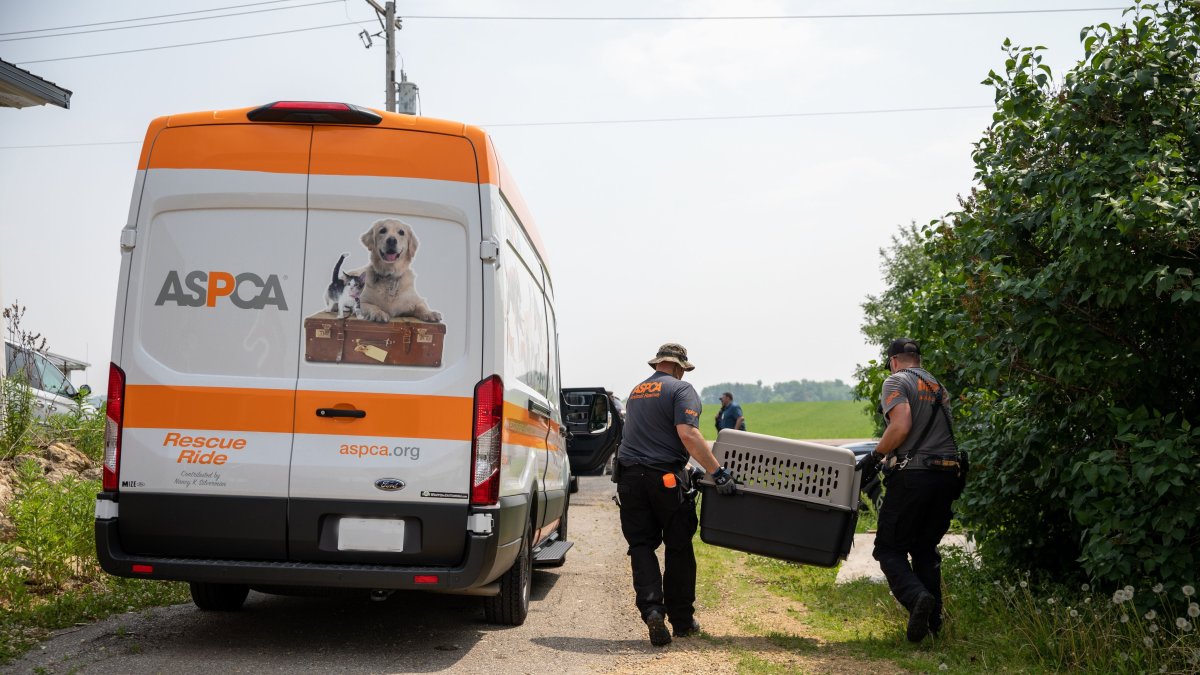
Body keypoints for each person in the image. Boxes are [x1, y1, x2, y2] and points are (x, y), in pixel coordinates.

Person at [615, 343, 738, 646]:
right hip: (665, 479)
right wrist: (717, 472)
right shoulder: (681, 390)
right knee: (678, 545)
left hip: (629, 479)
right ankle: (682, 621)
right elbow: (688, 434)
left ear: (659, 364)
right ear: (680, 366)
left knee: (642, 545)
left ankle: (652, 610)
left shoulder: (636, 391)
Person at [859, 338, 964, 643]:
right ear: (917, 358)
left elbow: (901, 425)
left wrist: (875, 456)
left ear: (893, 361)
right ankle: (933, 628)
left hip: (914, 476)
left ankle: (917, 597)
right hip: (947, 475)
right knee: (924, 549)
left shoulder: (896, 381)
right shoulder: (937, 386)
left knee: (889, 549)